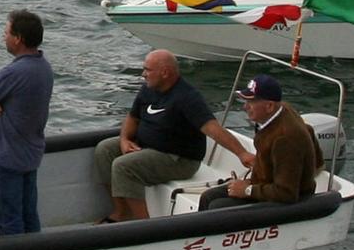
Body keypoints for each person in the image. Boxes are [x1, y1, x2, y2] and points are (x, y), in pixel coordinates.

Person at [92, 50, 252, 221]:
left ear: (165, 73)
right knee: (104, 150)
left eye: (148, 70)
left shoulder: (188, 98)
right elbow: (132, 117)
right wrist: (124, 139)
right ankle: (122, 212)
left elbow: (212, 128)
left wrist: (242, 153)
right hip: (146, 146)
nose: (143, 74)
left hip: (178, 159)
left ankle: (145, 227)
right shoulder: (149, 89)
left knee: (124, 166)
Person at [0, 10, 53, 235]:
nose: (3, 36)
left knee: (9, 221)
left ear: (18, 38)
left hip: (7, 158)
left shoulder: (13, 72)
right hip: (30, 154)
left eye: (6, 32)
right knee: (29, 216)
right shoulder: (43, 67)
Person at [210, 75, 323, 207]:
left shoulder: (285, 139)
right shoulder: (283, 110)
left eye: (251, 102)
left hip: (284, 201)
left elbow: (286, 193)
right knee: (209, 196)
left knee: (217, 206)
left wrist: (248, 190)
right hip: (265, 186)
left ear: (269, 106)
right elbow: (308, 131)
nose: (245, 107)